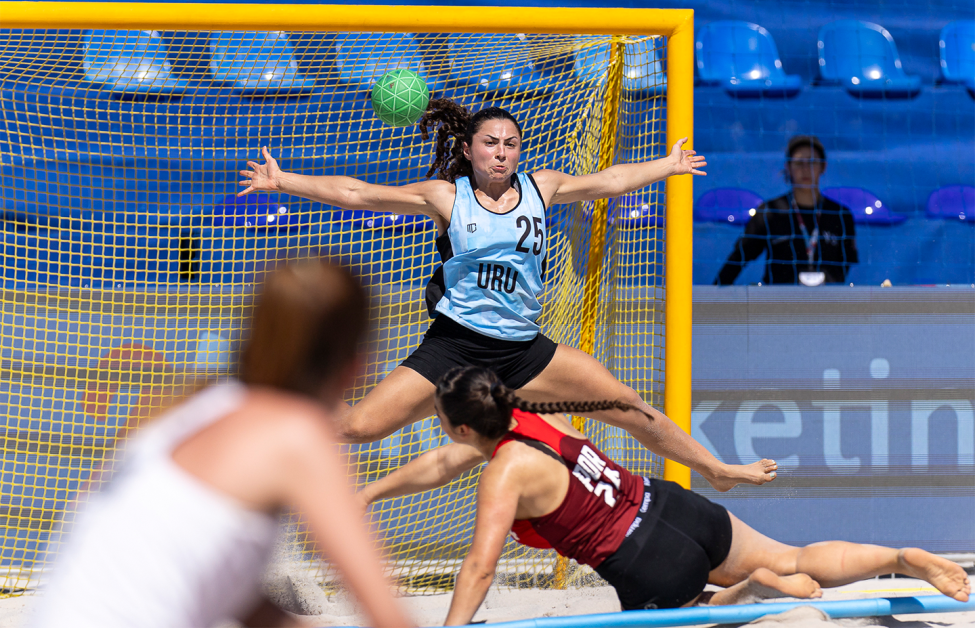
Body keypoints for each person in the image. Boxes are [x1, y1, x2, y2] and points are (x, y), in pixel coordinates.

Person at [238, 99, 776, 492]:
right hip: (455, 346)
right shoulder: (447, 197)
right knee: (356, 426)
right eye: (490, 142)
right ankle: (253, 430)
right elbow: (358, 194)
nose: (500, 151)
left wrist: (669, 165)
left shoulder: (544, 187)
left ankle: (718, 471)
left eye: (509, 143)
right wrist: (285, 181)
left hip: (523, 351)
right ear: (469, 150)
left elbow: (611, 180)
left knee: (628, 406)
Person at [359, 366, 971, 625]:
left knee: (715, 611)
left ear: (464, 427)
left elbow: (480, 564)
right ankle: (897, 559)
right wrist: (370, 494)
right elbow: (443, 463)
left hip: (648, 562)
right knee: (796, 555)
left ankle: (749, 592)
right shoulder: (535, 420)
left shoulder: (503, 474)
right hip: (675, 507)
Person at [32, 261, 413, 628]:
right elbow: (386, 616)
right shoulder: (297, 437)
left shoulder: (188, 405)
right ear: (358, 364)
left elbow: (170, 575)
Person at [715, 135, 858, 285]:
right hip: (778, 304)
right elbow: (739, 258)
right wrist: (713, 298)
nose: (805, 169)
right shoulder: (770, 212)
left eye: (812, 162)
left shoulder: (841, 215)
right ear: (788, 167)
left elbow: (846, 263)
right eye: (798, 163)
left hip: (827, 304)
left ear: (823, 167)